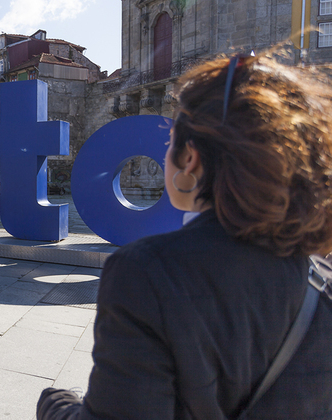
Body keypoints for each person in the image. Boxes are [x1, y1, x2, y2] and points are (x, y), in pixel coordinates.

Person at [37, 49, 332, 419]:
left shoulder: (147, 275)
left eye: (169, 141)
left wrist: (56, 403)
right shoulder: (322, 276)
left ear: (190, 159)